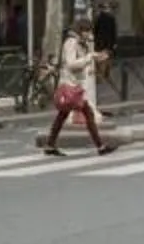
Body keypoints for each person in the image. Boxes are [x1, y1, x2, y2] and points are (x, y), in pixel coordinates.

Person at [37, 19, 116, 156]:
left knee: (63, 115)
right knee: (87, 113)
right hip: (70, 84)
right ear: (81, 30)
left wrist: (97, 57)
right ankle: (100, 146)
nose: (89, 35)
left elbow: (83, 59)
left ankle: (50, 144)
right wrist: (89, 57)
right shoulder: (71, 43)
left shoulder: (79, 43)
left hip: (74, 85)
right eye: (87, 31)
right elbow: (72, 64)